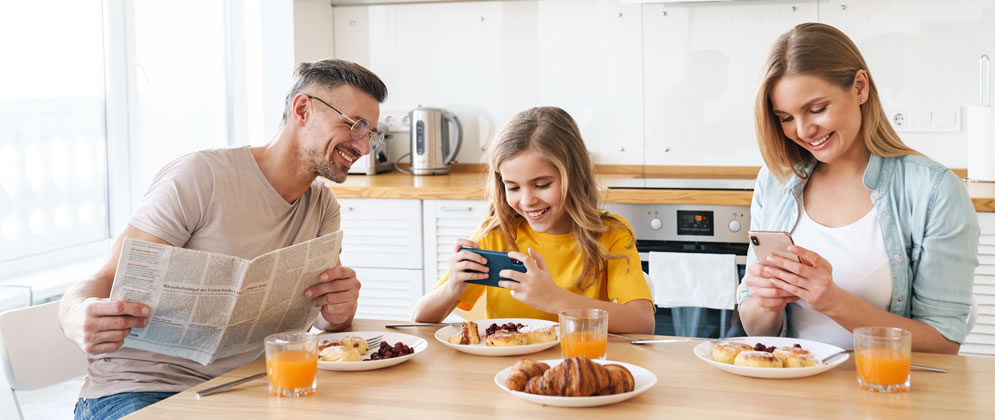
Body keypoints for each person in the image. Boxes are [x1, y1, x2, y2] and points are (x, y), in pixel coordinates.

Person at [58, 59, 387, 418]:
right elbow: (105, 278)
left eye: (370, 133)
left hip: (244, 387)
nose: (364, 147)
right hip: (141, 391)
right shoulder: (201, 176)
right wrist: (74, 315)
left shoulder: (322, 206)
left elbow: (327, 319)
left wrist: (340, 311)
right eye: (354, 125)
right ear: (302, 109)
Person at [738, 22, 978, 354]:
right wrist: (768, 303)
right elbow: (754, 324)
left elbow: (943, 344)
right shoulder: (777, 179)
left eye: (817, 109)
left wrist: (833, 301)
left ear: (860, 87)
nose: (804, 130)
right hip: (794, 391)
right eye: (785, 117)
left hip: (888, 392)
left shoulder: (933, 190)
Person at [410, 106, 655, 334]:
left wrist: (554, 299)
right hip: (505, 372)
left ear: (574, 175)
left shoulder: (610, 234)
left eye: (542, 185)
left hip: (580, 366)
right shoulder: (497, 234)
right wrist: (453, 287)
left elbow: (643, 323)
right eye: (513, 187)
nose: (527, 201)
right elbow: (420, 319)